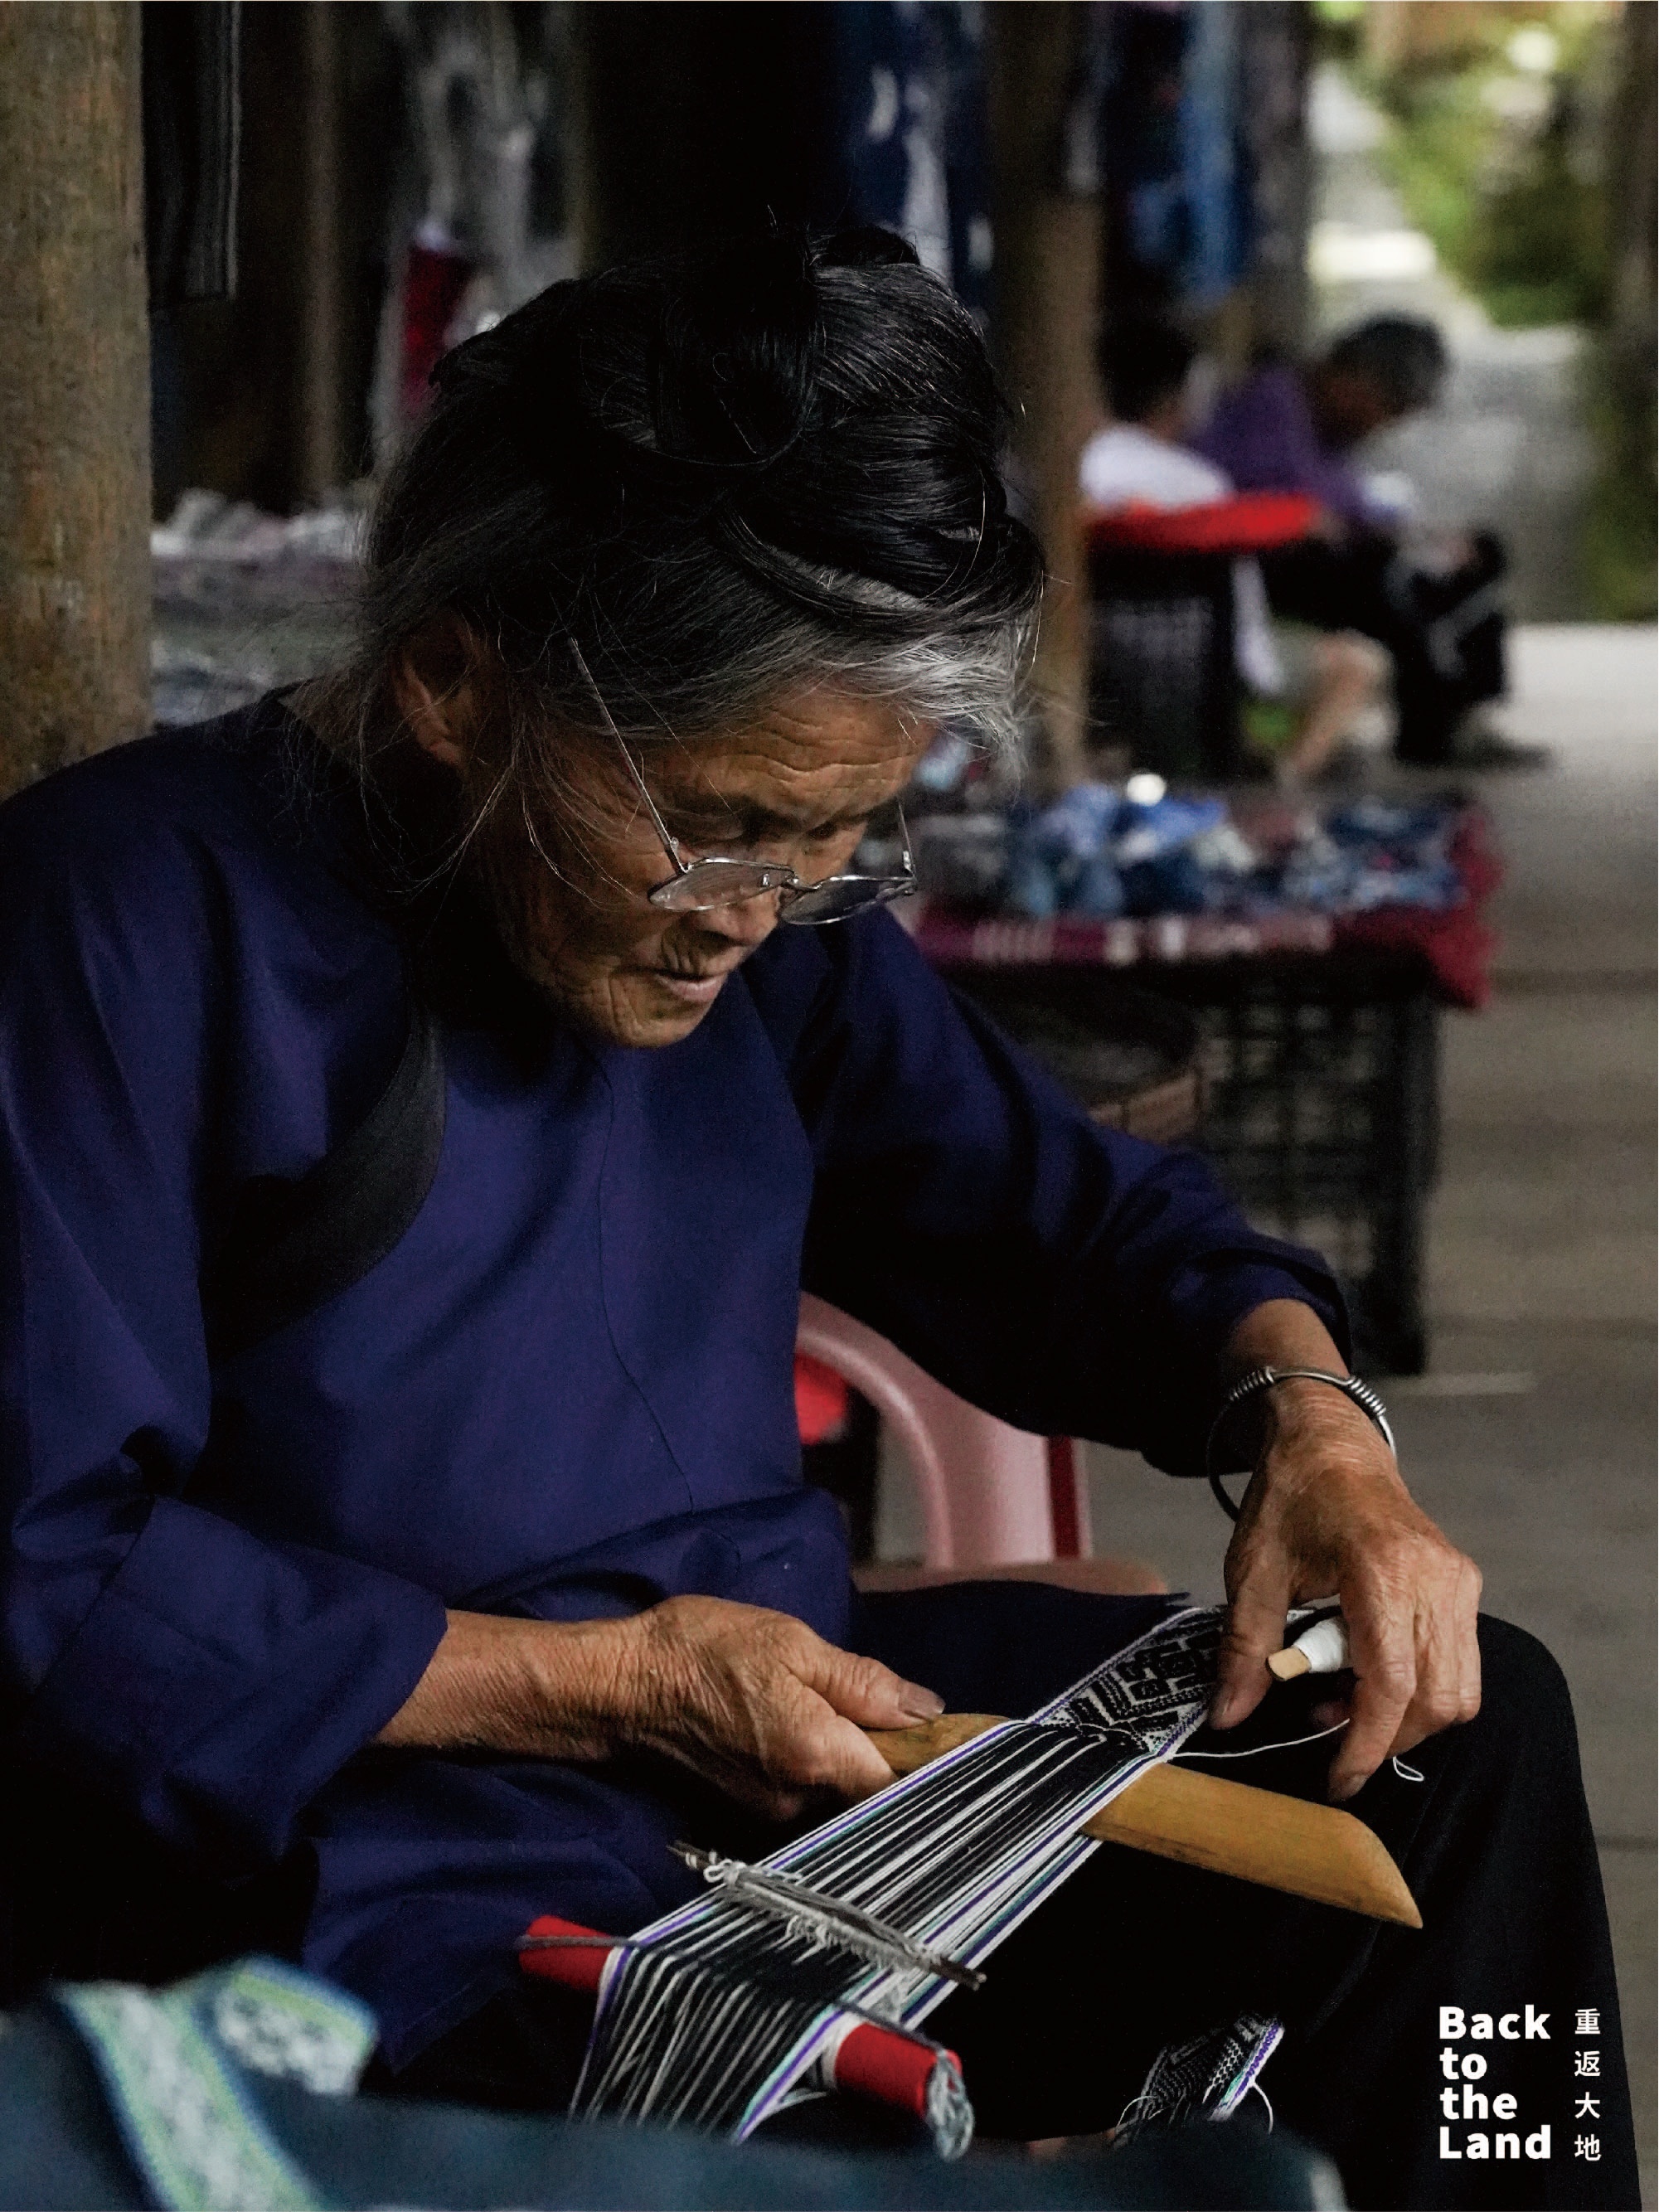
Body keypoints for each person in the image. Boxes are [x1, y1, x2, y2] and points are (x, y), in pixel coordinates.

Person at [0, 231, 1634, 2209]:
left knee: (1446, 1746)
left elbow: (1072, 1230)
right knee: (798, 2127)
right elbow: (48, 1588)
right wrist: (603, 1680)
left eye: (837, 846)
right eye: (728, 822)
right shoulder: (120, 925)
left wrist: (1306, 1425)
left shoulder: (754, 942)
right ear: (451, 678)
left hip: (768, 1772)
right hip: (387, 1875)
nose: (762, 899)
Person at [1193, 317, 1534, 770]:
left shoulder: (1329, 430)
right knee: (1391, 580)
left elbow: (1352, 506)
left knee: (1476, 559)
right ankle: (1429, 733)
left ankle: (1463, 717)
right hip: (1263, 564)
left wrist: (1423, 537)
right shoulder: (1272, 404)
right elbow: (1275, 501)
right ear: (1352, 380)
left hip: (1325, 555)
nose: (1382, 424)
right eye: (1386, 406)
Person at [1079, 318, 1385, 783]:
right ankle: (1288, 776)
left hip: (1096, 652)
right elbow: (1247, 622)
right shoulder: (1196, 481)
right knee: (1360, 663)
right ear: (1184, 396)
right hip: (1208, 668)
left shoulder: (1076, 465)